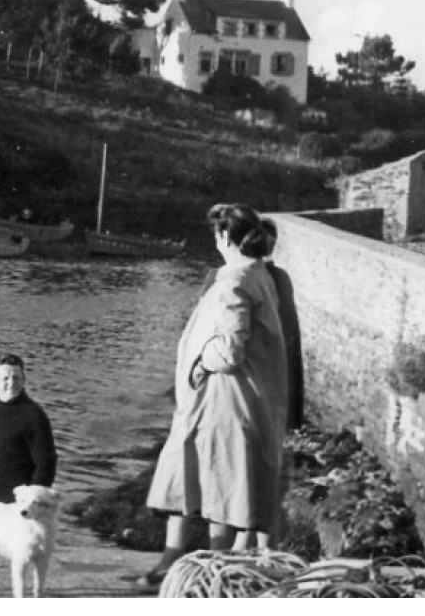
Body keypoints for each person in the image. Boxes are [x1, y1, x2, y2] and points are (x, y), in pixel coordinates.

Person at [138, 203, 290, 589]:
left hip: (223, 397)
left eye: (216, 234)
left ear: (225, 236)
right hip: (240, 398)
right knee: (210, 475)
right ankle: (191, 563)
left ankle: (210, 571)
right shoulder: (259, 275)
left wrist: (201, 364)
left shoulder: (234, 283)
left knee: (219, 481)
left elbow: (230, 349)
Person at [0, 353, 57, 502]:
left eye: (16, 377)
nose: (11, 383)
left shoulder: (33, 415)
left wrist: (32, 501)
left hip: (20, 506)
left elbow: (46, 462)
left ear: (23, 380)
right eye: (5, 378)